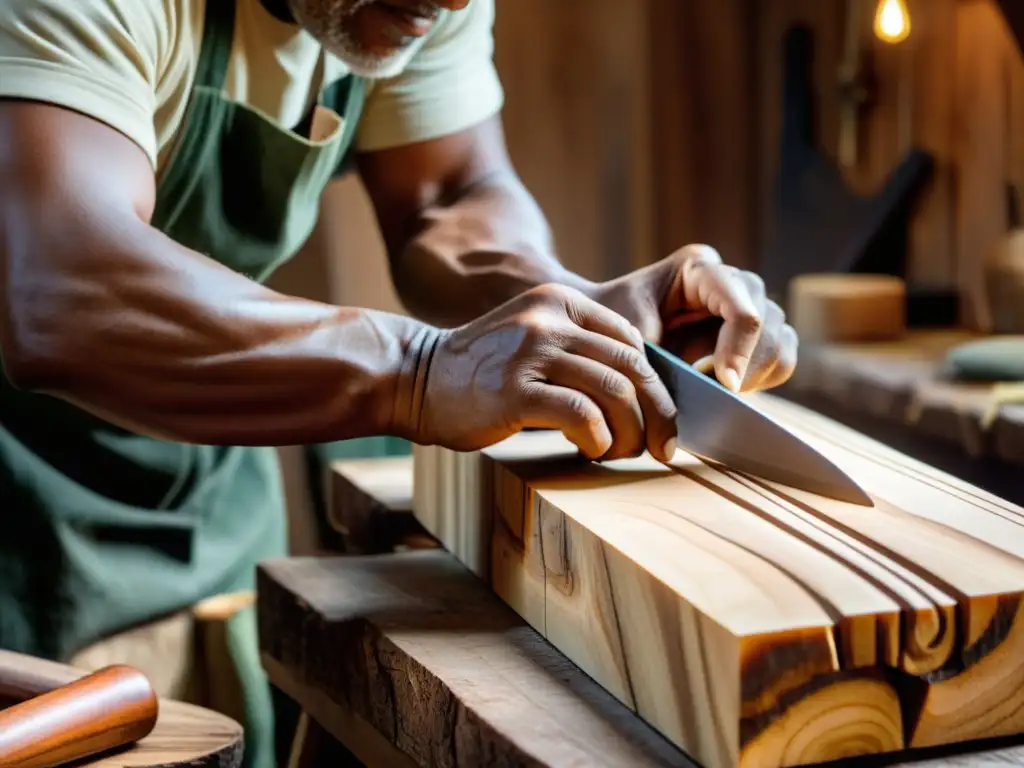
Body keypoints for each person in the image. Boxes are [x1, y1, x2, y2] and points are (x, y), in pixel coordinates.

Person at [0, 0, 798, 763]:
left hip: (207, 501)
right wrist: (420, 370)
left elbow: (447, 196)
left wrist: (588, 311)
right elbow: (59, 286)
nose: (451, 4)